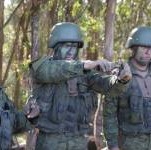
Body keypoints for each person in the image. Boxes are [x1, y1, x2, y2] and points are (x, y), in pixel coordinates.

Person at [29, 22, 132, 150]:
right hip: (50, 142)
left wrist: (121, 80)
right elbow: (53, 71)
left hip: (79, 142)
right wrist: (86, 65)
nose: (71, 50)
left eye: (75, 46)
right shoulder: (41, 66)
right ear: (55, 46)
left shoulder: (86, 73)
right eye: (67, 45)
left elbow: (107, 86)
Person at [103, 26, 151, 150]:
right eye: (144, 47)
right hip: (129, 143)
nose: (148, 52)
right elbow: (109, 114)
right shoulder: (121, 74)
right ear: (134, 47)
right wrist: (113, 146)